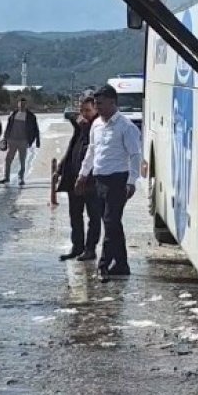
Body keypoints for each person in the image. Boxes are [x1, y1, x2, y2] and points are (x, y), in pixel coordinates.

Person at [77, 85, 142, 282]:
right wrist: (82, 174)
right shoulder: (96, 125)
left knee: (111, 222)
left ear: (113, 102)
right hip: (99, 179)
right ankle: (122, 264)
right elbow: (92, 151)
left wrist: (131, 181)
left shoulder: (126, 126)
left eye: (101, 104)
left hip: (118, 180)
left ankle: (103, 266)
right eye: (96, 104)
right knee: (113, 224)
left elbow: (135, 156)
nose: (98, 107)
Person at [56, 97, 101, 261]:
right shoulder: (80, 128)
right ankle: (77, 246)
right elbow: (72, 148)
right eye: (82, 111)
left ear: (95, 110)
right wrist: (60, 169)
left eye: (88, 111)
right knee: (75, 214)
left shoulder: (97, 127)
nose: (84, 114)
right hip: (74, 178)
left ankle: (90, 249)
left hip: (91, 181)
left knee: (94, 216)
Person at [0, 97, 40, 187]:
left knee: (22, 160)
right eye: (20, 104)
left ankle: (21, 178)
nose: (22, 106)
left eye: (24, 104)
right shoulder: (13, 114)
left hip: (23, 141)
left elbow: (35, 129)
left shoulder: (30, 116)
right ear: (18, 104)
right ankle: (6, 177)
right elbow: (8, 126)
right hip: (12, 140)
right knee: (8, 159)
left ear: (26, 105)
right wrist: (5, 138)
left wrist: (35, 141)